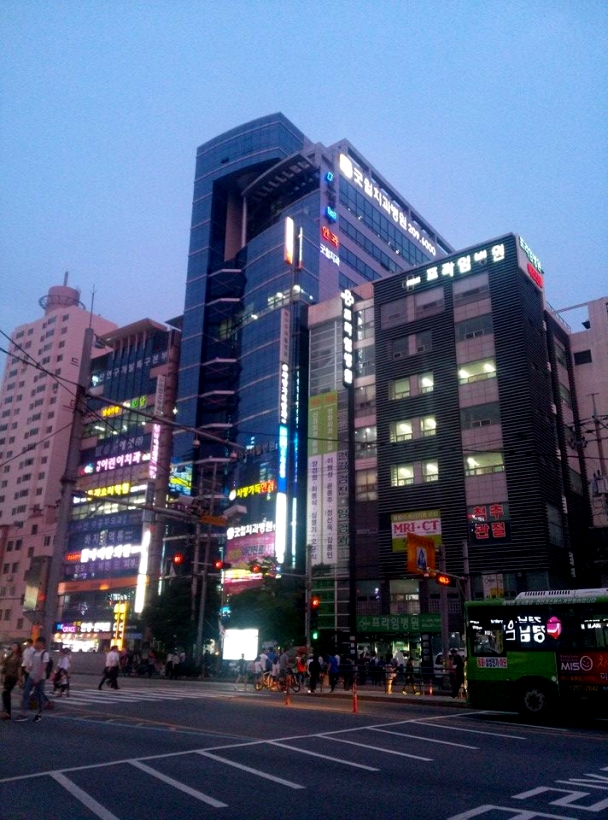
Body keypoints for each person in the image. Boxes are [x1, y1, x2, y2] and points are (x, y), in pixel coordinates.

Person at [15, 636, 49, 722]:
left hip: (40, 678)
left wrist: (38, 677)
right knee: (25, 693)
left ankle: (40, 712)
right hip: (31, 676)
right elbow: (31, 663)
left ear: (43, 644)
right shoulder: (34, 653)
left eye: (39, 643)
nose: (36, 644)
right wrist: (29, 668)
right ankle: (24, 713)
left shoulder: (45, 654)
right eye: (36, 643)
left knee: (40, 695)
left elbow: (43, 667)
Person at [2, 642, 23, 719]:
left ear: (18, 648)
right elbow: (4, 664)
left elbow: (19, 669)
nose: (13, 647)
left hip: (13, 677)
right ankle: (6, 711)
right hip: (7, 676)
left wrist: (20, 679)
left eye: (15, 646)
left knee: (6, 692)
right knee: (5, 694)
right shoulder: (9, 656)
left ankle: (8, 712)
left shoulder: (19, 657)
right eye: (12, 646)